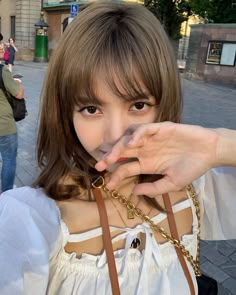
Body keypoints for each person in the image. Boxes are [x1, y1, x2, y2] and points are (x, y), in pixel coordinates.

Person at [0, 2, 235, 294]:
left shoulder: (196, 186)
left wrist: (218, 146)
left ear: (163, 104)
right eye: (90, 108)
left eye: (138, 105)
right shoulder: (29, 222)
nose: (115, 136)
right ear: (65, 112)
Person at [0, 64, 24, 193]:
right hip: (4, 125)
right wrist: (17, 82)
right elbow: (18, 94)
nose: (2, 47)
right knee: (9, 159)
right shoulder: (2, 70)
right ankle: (6, 193)